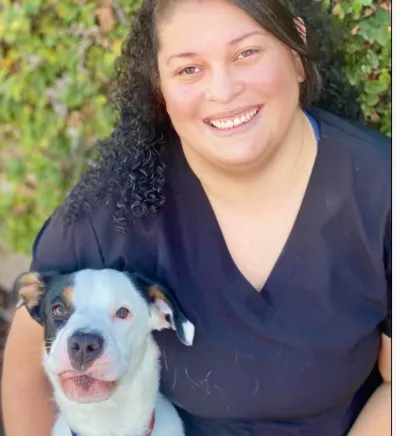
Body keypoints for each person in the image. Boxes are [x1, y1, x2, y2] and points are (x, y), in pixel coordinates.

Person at [2, 0, 391, 435]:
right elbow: (30, 372)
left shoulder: (381, 192)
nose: (222, 90)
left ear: (296, 50)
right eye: (189, 69)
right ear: (160, 87)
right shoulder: (112, 213)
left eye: (247, 53)